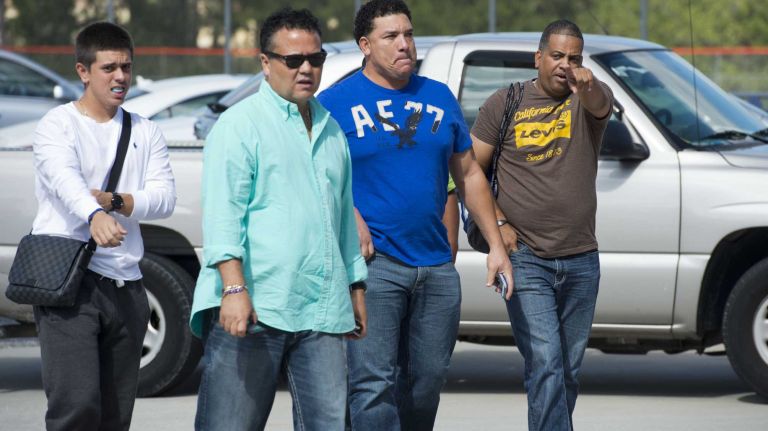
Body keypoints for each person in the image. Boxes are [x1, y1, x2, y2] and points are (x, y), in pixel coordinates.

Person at [318, 1, 511, 429]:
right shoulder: (333, 104)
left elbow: (468, 176)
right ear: (365, 45)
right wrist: (347, 211)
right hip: (375, 266)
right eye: (391, 37)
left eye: (408, 33)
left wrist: (495, 244)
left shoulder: (437, 96)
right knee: (372, 384)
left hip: (436, 268)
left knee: (426, 382)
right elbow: (314, 177)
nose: (405, 44)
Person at [189, 7, 368, 431]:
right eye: (294, 60)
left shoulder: (330, 129)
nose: (306, 68)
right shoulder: (239, 126)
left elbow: (341, 218)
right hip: (254, 306)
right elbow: (223, 215)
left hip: (320, 309)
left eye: (316, 58)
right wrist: (233, 287)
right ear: (266, 64)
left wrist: (355, 287)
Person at [30, 22, 176, 431]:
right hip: (69, 288)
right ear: (83, 71)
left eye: (126, 68)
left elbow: (164, 198)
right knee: (75, 409)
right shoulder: (57, 125)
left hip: (127, 286)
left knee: (115, 417)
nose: (120, 78)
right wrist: (93, 216)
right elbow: (64, 180)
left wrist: (113, 202)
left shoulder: (145, 131)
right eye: (109, 67)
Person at [471, 19, 613, 431]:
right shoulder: (506, 101)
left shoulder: (585, 102)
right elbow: (469, 172)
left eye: (574, 58)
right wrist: (498, 224)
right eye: (557, 56)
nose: (565, 65)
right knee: (547, 362)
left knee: (566, 371)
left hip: (582, 259)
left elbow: (603, 103)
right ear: (538, 57)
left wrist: (588, 87)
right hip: (526, 257)